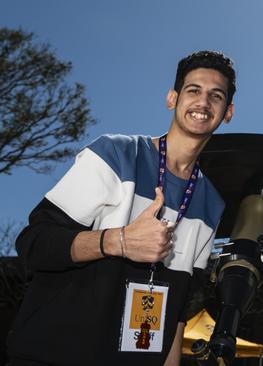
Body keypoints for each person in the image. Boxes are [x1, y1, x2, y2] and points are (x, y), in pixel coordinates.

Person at [7, 50, 236, 366]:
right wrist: (119, 241)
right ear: (172, 98)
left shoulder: (211, 203)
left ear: (228, 112)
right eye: (193, 90)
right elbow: (34, 243)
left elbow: (181, 308)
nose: (203, 102)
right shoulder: (114, 155)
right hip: (51, 355)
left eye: (216, 95)